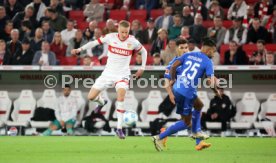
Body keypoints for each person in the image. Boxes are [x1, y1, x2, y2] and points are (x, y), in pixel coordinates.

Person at [71, 20, 147, 139]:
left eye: (126, 32)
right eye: (122, 32)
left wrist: (142, 68)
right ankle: (102, 102)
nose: (124, 35)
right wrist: (79, 50)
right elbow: (93, 43)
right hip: (108, 73)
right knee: (91, 97)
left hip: (123, 74)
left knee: (121, 97)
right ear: (118, 30)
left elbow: (144, 51)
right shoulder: (110, 37)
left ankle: (119, 128)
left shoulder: (132, 41)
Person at [152, 37, 220, 151]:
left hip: (185, 91)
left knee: (199, 105)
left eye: (186, 47)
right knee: (186, 122)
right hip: (183, 93)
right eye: (182, 47)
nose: (184, 49)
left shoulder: (188, 56)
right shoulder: (177, 61)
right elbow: (166, 80)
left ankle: (198, 139)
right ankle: (160, 136)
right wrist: (170, 94)